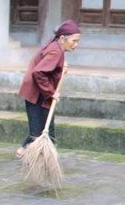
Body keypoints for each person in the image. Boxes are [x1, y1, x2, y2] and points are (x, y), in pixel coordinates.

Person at [15, 20, 80, 159]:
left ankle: (28, 153)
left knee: (43, 130)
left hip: (38, 92)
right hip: (37, 94)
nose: (76, 45)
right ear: (63, 38)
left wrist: (60, 68)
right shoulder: (56, 51)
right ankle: (30, 156)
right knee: (40, 132)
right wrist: (51, 92)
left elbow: (47, 67)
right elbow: (39, 72)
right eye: (74, 41)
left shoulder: (56, 47)